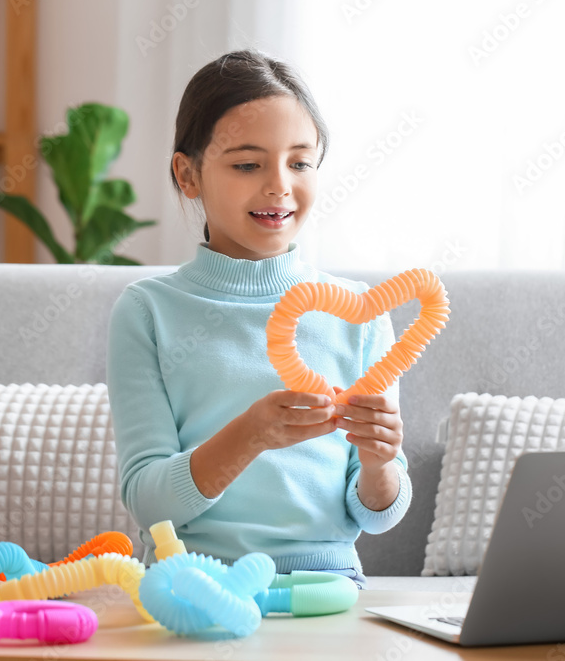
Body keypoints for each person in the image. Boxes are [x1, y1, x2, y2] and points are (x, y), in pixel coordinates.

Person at [106, 48, 411, 589]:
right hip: (196, 587)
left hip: (327, 590)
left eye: (299, 162)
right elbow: (149, 503)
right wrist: (249, 435)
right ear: (188, 174)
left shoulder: (358, 314)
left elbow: (378, 514)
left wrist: (379, 461)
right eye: (247, 164)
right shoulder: (148, 311)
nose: (279, 186)